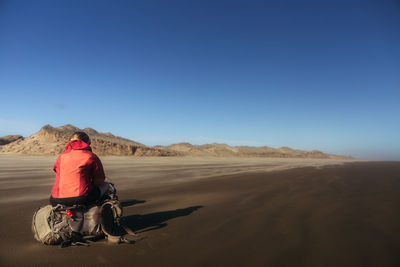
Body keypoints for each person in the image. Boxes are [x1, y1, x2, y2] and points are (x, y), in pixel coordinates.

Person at [50, 131, 110, 206]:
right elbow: (99, 180)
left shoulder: (61, 156)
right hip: (81, 198)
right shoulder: (91, 156)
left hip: (55, 199)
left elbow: (57, 171)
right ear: (88, 143)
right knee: (106, 185)